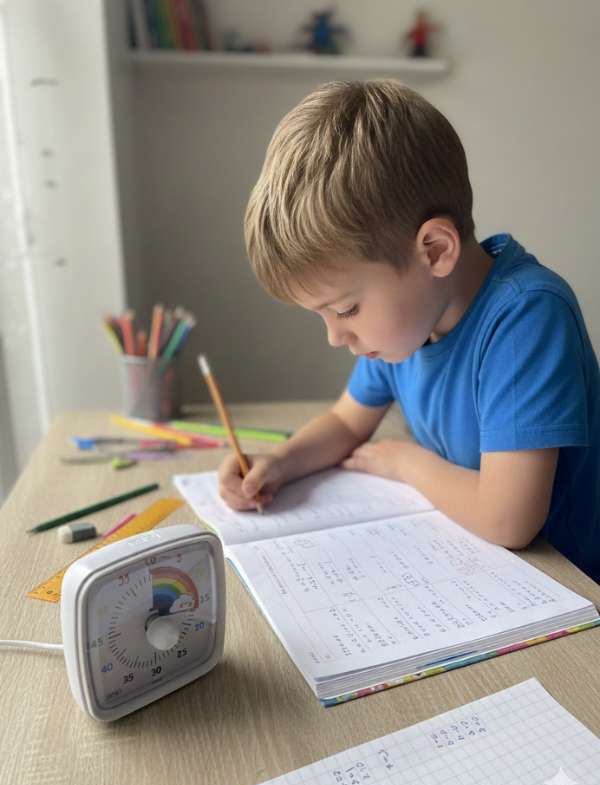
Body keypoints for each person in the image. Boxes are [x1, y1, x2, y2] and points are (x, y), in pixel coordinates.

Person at [218, 79, 600, 584]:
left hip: (570, 591)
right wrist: (278, 463)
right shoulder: (409, 326)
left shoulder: (526, 316)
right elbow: (346, 424)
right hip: (483, 570)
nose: (335, 336)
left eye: (347, 309)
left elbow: (508, 519)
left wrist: (406, 463)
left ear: (435, 251)